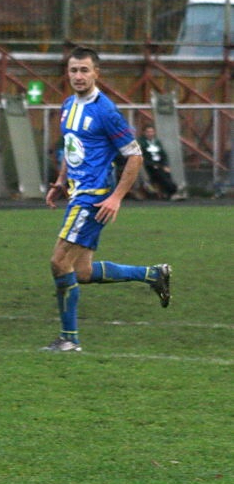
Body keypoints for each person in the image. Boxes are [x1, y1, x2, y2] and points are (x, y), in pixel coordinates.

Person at [43, 46, 172, 353]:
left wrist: (116, 197)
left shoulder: (106, 111)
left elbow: (134, 155)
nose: (78, 76)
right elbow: (72, 147)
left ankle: (69, 339)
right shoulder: (67, 105)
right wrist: (61, 180)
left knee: (59, 262)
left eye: (84, 70)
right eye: (73, 70)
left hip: (94, 197)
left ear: (96, 73)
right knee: (82, 272)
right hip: (78, 192)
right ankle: (154, 274)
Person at [137, 124, 180, 200]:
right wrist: (153, 164)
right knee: (161, 174)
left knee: (166, 173)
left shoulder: (157, 142)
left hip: (160, 165)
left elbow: (163, 155)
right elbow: (141, 156)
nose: (150, 134)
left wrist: (165, 165)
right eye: (148, 132)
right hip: (149, 166)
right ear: (144, 132)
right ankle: (173, 191)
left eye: (152, 132)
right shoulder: (141, 142)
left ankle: (171, 191)